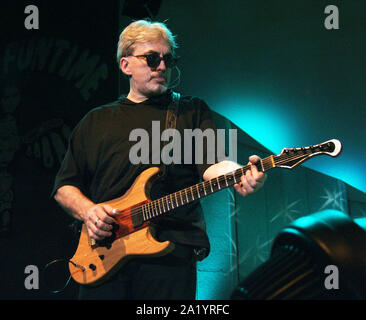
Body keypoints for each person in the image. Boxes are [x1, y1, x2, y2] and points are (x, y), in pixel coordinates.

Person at [52, 20, 267, 300]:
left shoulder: (191, 111)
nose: (162, 66)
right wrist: (89, 212)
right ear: (125, 65)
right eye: (152, 59)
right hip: (102, 254)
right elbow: (64, 187)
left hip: (169, 253)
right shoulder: (95, 121)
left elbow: (214, 164)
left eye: (168, 59)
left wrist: (239, 172)